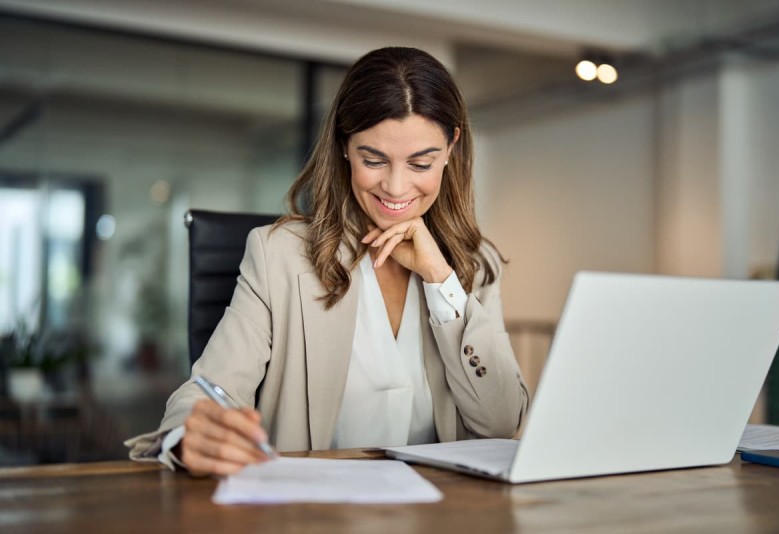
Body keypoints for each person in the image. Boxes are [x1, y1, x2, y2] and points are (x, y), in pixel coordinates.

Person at [126, 46, 529, 477]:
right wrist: (192, 434)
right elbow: (206, 393)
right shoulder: (277, 255)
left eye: (420, 162)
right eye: (373, 159)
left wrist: (441, 280)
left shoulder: (475, 265)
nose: (395, 187)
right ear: (343, 147)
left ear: (451, 146)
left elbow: (502, 422)